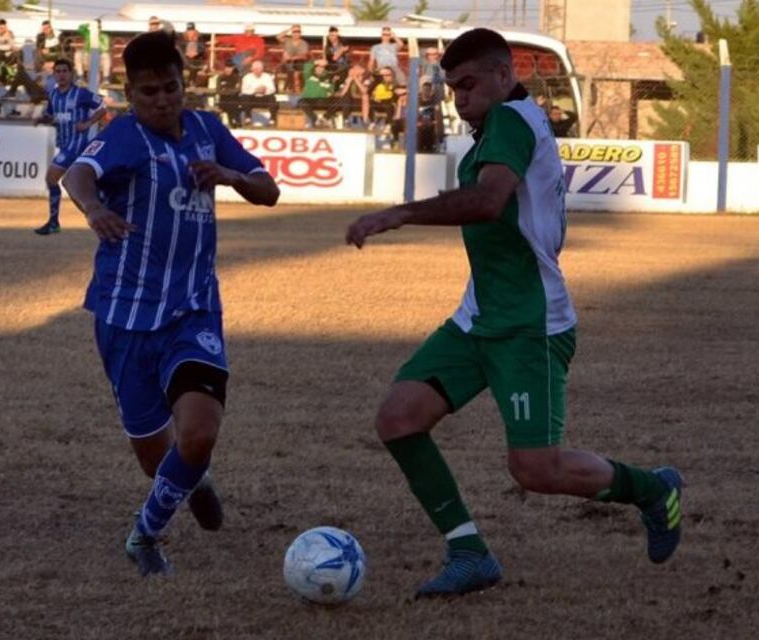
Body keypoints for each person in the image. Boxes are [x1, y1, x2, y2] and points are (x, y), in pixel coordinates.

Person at [345, 28, 683, 598]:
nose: (460, 98)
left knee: (535, 470)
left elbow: (486, 201)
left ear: (505, 74)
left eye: (469, 84)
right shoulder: (507, 122)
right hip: (479, 316)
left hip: (530, 324)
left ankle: (653, 489)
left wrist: (398, 214)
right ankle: (469, 552)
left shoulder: (509, 121)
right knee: (399, 419)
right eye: (452, 89)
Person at [61, 30, 279, 577]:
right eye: (148, 92)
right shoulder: (125, 137)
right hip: (125, 317)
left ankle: (144, 536)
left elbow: (267, 187)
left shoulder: (208, 129)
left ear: (186, 84)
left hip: (194, 309)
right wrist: (92, 210)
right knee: (156, 457)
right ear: (130, 94)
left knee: (200, 431)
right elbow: (78, 174)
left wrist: (230, 176)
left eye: (171, 89)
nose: (161, 101)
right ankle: (194, 478)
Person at [33, 59, 106, 236]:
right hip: (64, 143)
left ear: (71, 73)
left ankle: (53, 222)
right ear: (54, 74)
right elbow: (52, 116)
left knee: (52, 178)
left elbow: (102, 107)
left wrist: (88, 123)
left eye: (65, 71)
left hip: (77, 143)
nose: (61, 74)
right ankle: (103, 209)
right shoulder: (53, 95)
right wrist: (42, 120)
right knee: (81, 182)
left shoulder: (80, 93)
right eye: (58, 71)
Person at [298, 60, 336, 128]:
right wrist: (317, 62)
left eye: (322, 67)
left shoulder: (327, 78)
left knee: (336, 101)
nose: (320, 69)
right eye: (318, 67)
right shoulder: (309, 75)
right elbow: (306, 66)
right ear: (314, 68)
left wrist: (330, 91)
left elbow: (331, 90)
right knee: (301, 102)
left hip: (322, 100)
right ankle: (315, 119)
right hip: (309, 100)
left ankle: (325, 118)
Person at [239, 60, 278, 126]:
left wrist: (265, 90)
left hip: (264, 98)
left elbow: (273, 89)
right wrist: (255, 90)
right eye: (255, 69)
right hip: (252, 98)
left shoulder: (267, 76)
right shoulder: (247, 77)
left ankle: (272, 120)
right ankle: (248, 118)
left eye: (259, 69)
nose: (257, 71)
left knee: (272, 98)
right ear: (252, 69)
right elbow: (244, 90)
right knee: (244, 97)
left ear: (262, 69)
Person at [276, 25, 309, 93]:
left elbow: (303, 56)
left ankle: (293, 88)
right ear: (292, 32)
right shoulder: (287, 40)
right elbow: (278, 36)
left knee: (296, 68)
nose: (296, 33)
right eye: (294, 31)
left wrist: (291, 58)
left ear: (300, 33)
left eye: (298, 31)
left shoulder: (304, 43)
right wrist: (289, 29)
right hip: (287, 63)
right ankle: (290, 88)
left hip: (299, 63)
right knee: (289, 67)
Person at [179, 22, 207, 88]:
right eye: (189, 31)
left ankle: (194, 87)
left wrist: (197, 52)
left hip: (197, 64)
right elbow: (180, 52)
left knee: (201, 74)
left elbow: (203, 51)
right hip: (186, 64)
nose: (190, 33)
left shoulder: (199, 42)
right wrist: (185, 53)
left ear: (195, 31)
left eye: (191, 31)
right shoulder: (182, 42)